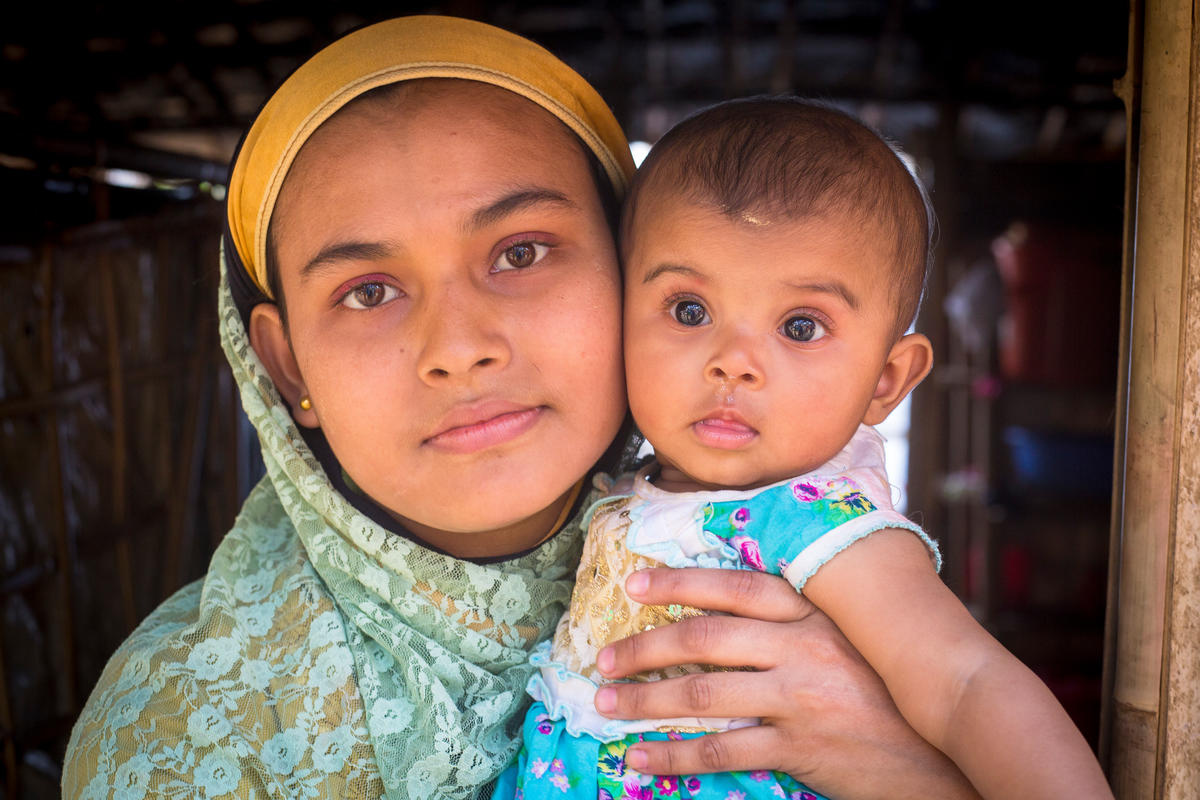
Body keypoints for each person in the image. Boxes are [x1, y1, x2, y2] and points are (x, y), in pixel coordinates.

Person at [62, 17, 982, 800]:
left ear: (628, 273)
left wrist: (898, 763)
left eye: (522, 252)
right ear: (286, 362)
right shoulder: (185, 725)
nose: (460, 345)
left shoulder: (795, 572)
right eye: (370, 291)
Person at [502, 98, 1113, 799]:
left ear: (886, 381)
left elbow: (967, 683)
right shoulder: (618, 486)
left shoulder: (819, 524)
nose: (733, 362)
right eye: (688, 310)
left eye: (799, 326)